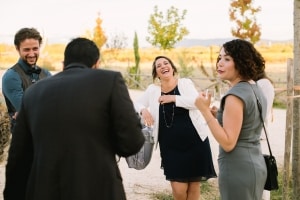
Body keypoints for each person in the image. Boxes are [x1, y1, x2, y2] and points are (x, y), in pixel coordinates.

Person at [3, 37, 145, 200]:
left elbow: (18, 158)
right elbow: (131, 144)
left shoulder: (33, 92)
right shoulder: (109, 80)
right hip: (98, 190)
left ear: (64, 64)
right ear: (96, 64)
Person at [134, 55, 217, 200]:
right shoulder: (153, 90)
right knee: (178, 191)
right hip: (170, 147)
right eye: (158, 66)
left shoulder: (184, 83)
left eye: (166, 63)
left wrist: (173, 98)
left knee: (194, 188)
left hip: (196, 142)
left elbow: (197, 102)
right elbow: (136, 103)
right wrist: (143, 110)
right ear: (156, 73)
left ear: (172, 68)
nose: (163, 66)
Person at [195, 39, 268, 200]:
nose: (219, 63)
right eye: (219, 58)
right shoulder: (255, 88)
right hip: (256, 163)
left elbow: (228, 143)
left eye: (227, 59)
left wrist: (204, 111)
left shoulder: (234, 95)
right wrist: (218, 117)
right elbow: (247, 124)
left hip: (237, 168)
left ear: (241, 62)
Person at [1, 27, 52, 131]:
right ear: (17, 49)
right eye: (26, 50)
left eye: (35, 48)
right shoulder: (11, 76)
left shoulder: (46, 73)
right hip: (24, 139)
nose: (32, 54)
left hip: (46, 136)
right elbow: (28, 111)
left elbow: (58, 102)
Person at [255, 72, 275, 200]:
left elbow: (261, 113)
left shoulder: (263, 84)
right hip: (251, 138)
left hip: (258, 138)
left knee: (260, 182)